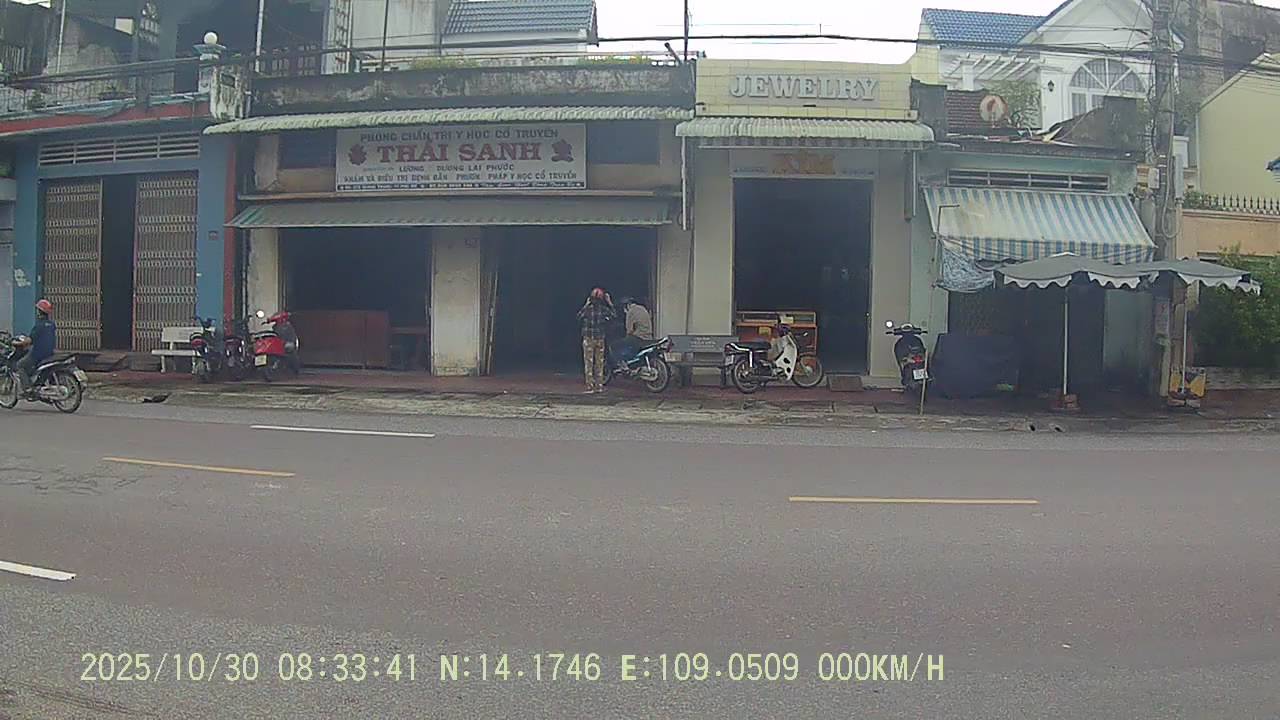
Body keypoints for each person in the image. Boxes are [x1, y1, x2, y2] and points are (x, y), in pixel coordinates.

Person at [576, 288, 615, 393]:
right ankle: (599, 386)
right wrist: (610, 303)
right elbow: (614, 315)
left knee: (589, 363)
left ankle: (590, 386)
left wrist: (585, 305)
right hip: (600, 338)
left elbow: (578, 317)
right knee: (599, 363)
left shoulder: (587, 310)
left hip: (588, 338)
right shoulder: (603, 310)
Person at [17, 299, 57, 396]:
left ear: (39, 311)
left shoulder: (39, 325)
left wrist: (18, 343)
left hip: (37, 355)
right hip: (49, 353)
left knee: (20, 365)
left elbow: (29, 341)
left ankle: (28, 389)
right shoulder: (52, 324)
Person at [612, 296, 654, 369]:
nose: (624, 310)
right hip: (648, 337)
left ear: (627, 305)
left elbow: (629, 330)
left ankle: (624, 365)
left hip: (639, 338)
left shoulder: (631, 311)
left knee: (616, 346)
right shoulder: (642, 308)